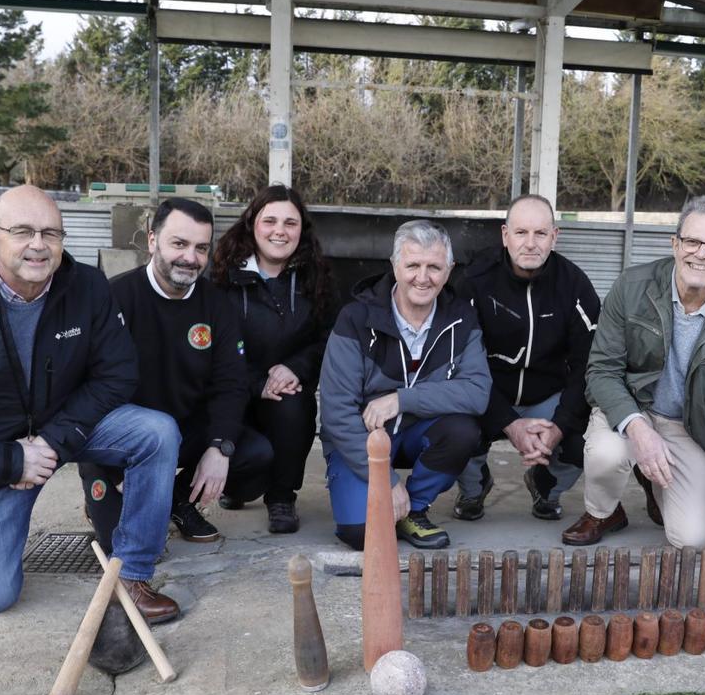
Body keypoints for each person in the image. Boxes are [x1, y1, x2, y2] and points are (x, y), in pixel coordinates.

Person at [0, 186, 180, 622]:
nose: (38, 245)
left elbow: (117, 373)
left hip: (66, 427)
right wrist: (10, 460)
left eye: (51, 233)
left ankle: (130, 575)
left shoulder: (88, 288)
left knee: (156, 432)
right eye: (22, 231)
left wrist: (52, 442)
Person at [562, 195, 705, 550]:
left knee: (694, 539)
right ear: (675, 244)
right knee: (608, 454)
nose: (701, 254)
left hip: (687, 427)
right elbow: (602, 371)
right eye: (693, 241)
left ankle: (654, 479)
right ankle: (603, 511)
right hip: (632, 408)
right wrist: (638, 428)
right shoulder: (632, 287)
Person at [91, 198, 273, 545]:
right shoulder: (112, 297)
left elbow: (231, 382)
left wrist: (220, 447)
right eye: (179, 243)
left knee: (255, 453)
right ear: (152, 241)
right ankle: (108, 497)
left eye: (201, 248)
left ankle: (175, 498)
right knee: (127, 544)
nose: (191, 257)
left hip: (186, 431)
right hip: (124, 442)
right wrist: (113, 473)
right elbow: (90, 388)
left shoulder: (217, 304)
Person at [319, 219, 491, 550]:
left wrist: (402, 399)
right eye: (413, 265)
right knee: (363, 535)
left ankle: (415, 506)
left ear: (450, 269)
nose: (423, 278)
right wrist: (386, 481)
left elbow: (477, 392)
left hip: (418, 432)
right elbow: (336, 413)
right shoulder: (356, 318)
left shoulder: (461, 318)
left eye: (434, 267)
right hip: (363, 440)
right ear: (395, 265)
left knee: (463, 430)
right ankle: (390, 501)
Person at [453, 194, 600, 522]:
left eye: (540, 233)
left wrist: (559, 427)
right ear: (505, 235)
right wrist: (510, 423)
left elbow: (586, 369)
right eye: (521, 233)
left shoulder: (575, 286)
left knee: (587, 438)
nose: (530, 243)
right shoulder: (475, 282)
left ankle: (545, 486)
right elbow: (461, 366)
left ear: (554, 237)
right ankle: (475, 487)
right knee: (455, 428)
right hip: (487, 392)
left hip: (546, 398)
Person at [210, 185, 335, 533]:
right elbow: (211, 345)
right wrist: (255, 381)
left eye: (290, 223)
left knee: (294, 406)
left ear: (302, 229)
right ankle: (236, 486)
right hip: (234, 387)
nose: (280, 230)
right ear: (252, 224)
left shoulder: (317, 276)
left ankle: (281, 497)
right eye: (270, 221)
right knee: (244, 466)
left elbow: (330, 336)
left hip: (286, 390)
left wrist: (296, 367)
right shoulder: (223, 275)